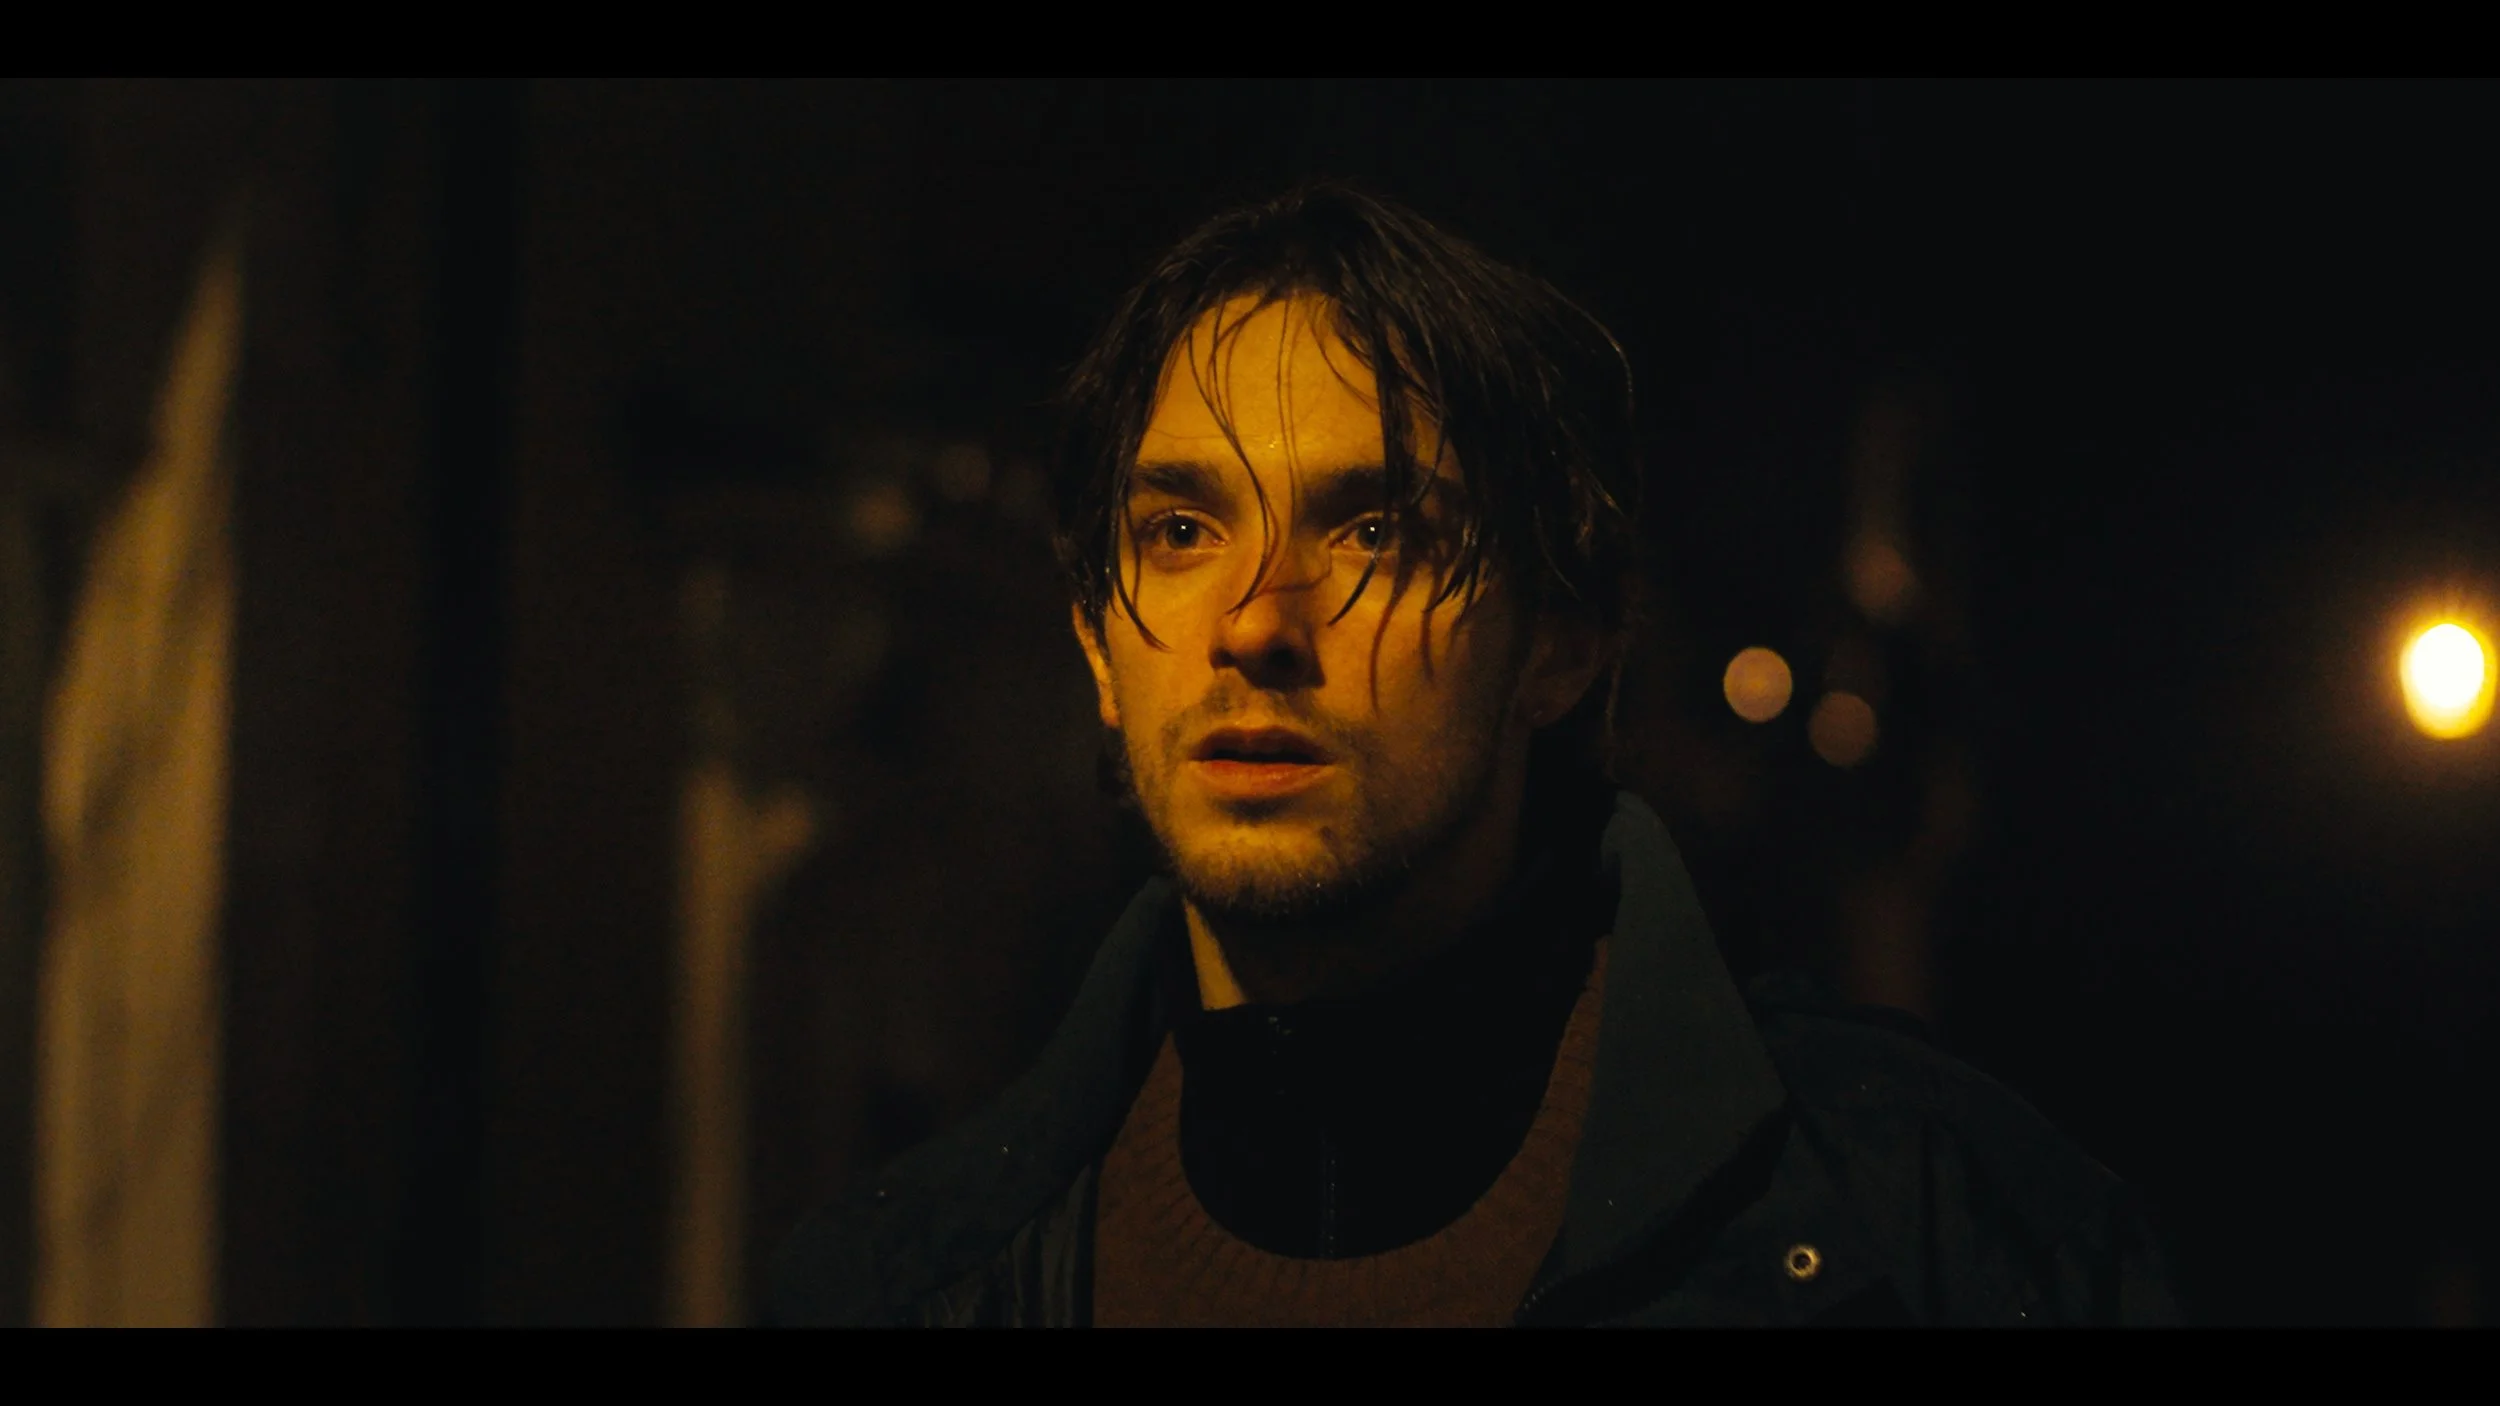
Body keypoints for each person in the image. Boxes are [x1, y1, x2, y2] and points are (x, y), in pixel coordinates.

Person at [767, 184, 2178, 1327]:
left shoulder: (1943, 1232)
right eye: (1180, 533)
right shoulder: (903, 1281)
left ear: (1561, 642)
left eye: (1376, 529)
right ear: (1096, 644)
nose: (1257, 621)